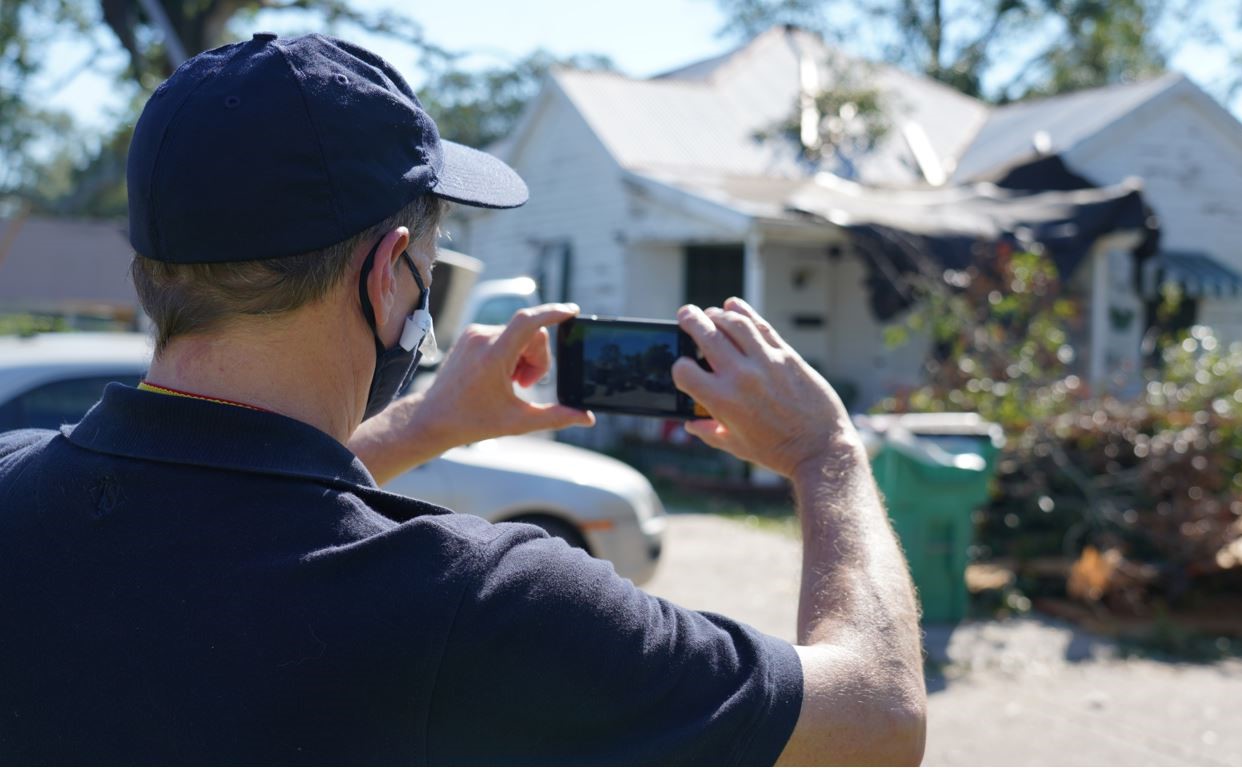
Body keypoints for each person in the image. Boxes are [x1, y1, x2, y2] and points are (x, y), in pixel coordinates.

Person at [0, 33, 924, 764]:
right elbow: (876, 726)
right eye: (424, 269)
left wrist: (437, 419)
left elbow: (226, 509)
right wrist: (826, 455)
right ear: (384, 273)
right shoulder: (478, 600)